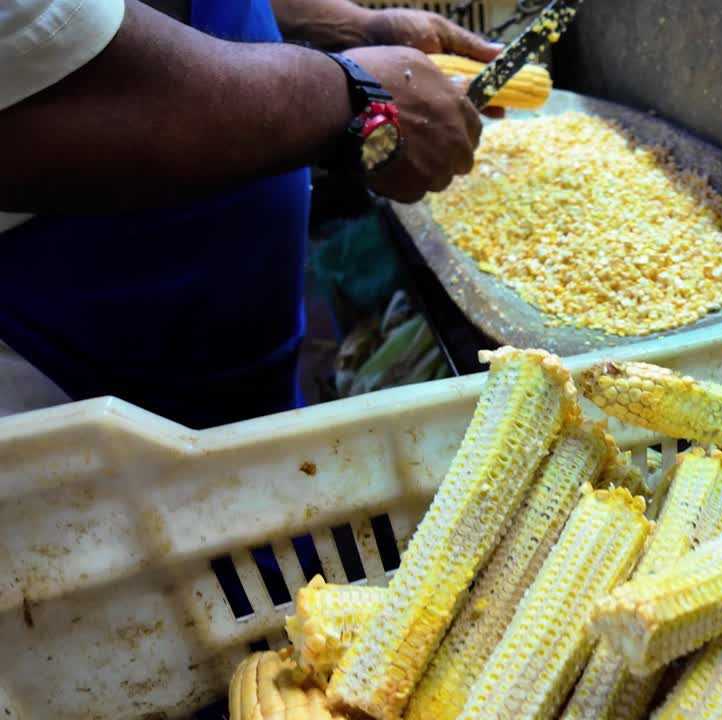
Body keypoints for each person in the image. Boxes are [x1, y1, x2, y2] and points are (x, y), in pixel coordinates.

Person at [0, 0, 501, 427]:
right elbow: (78, 89)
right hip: (97, 355)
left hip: (239, 342)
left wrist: (348, 23)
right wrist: (360, 101)